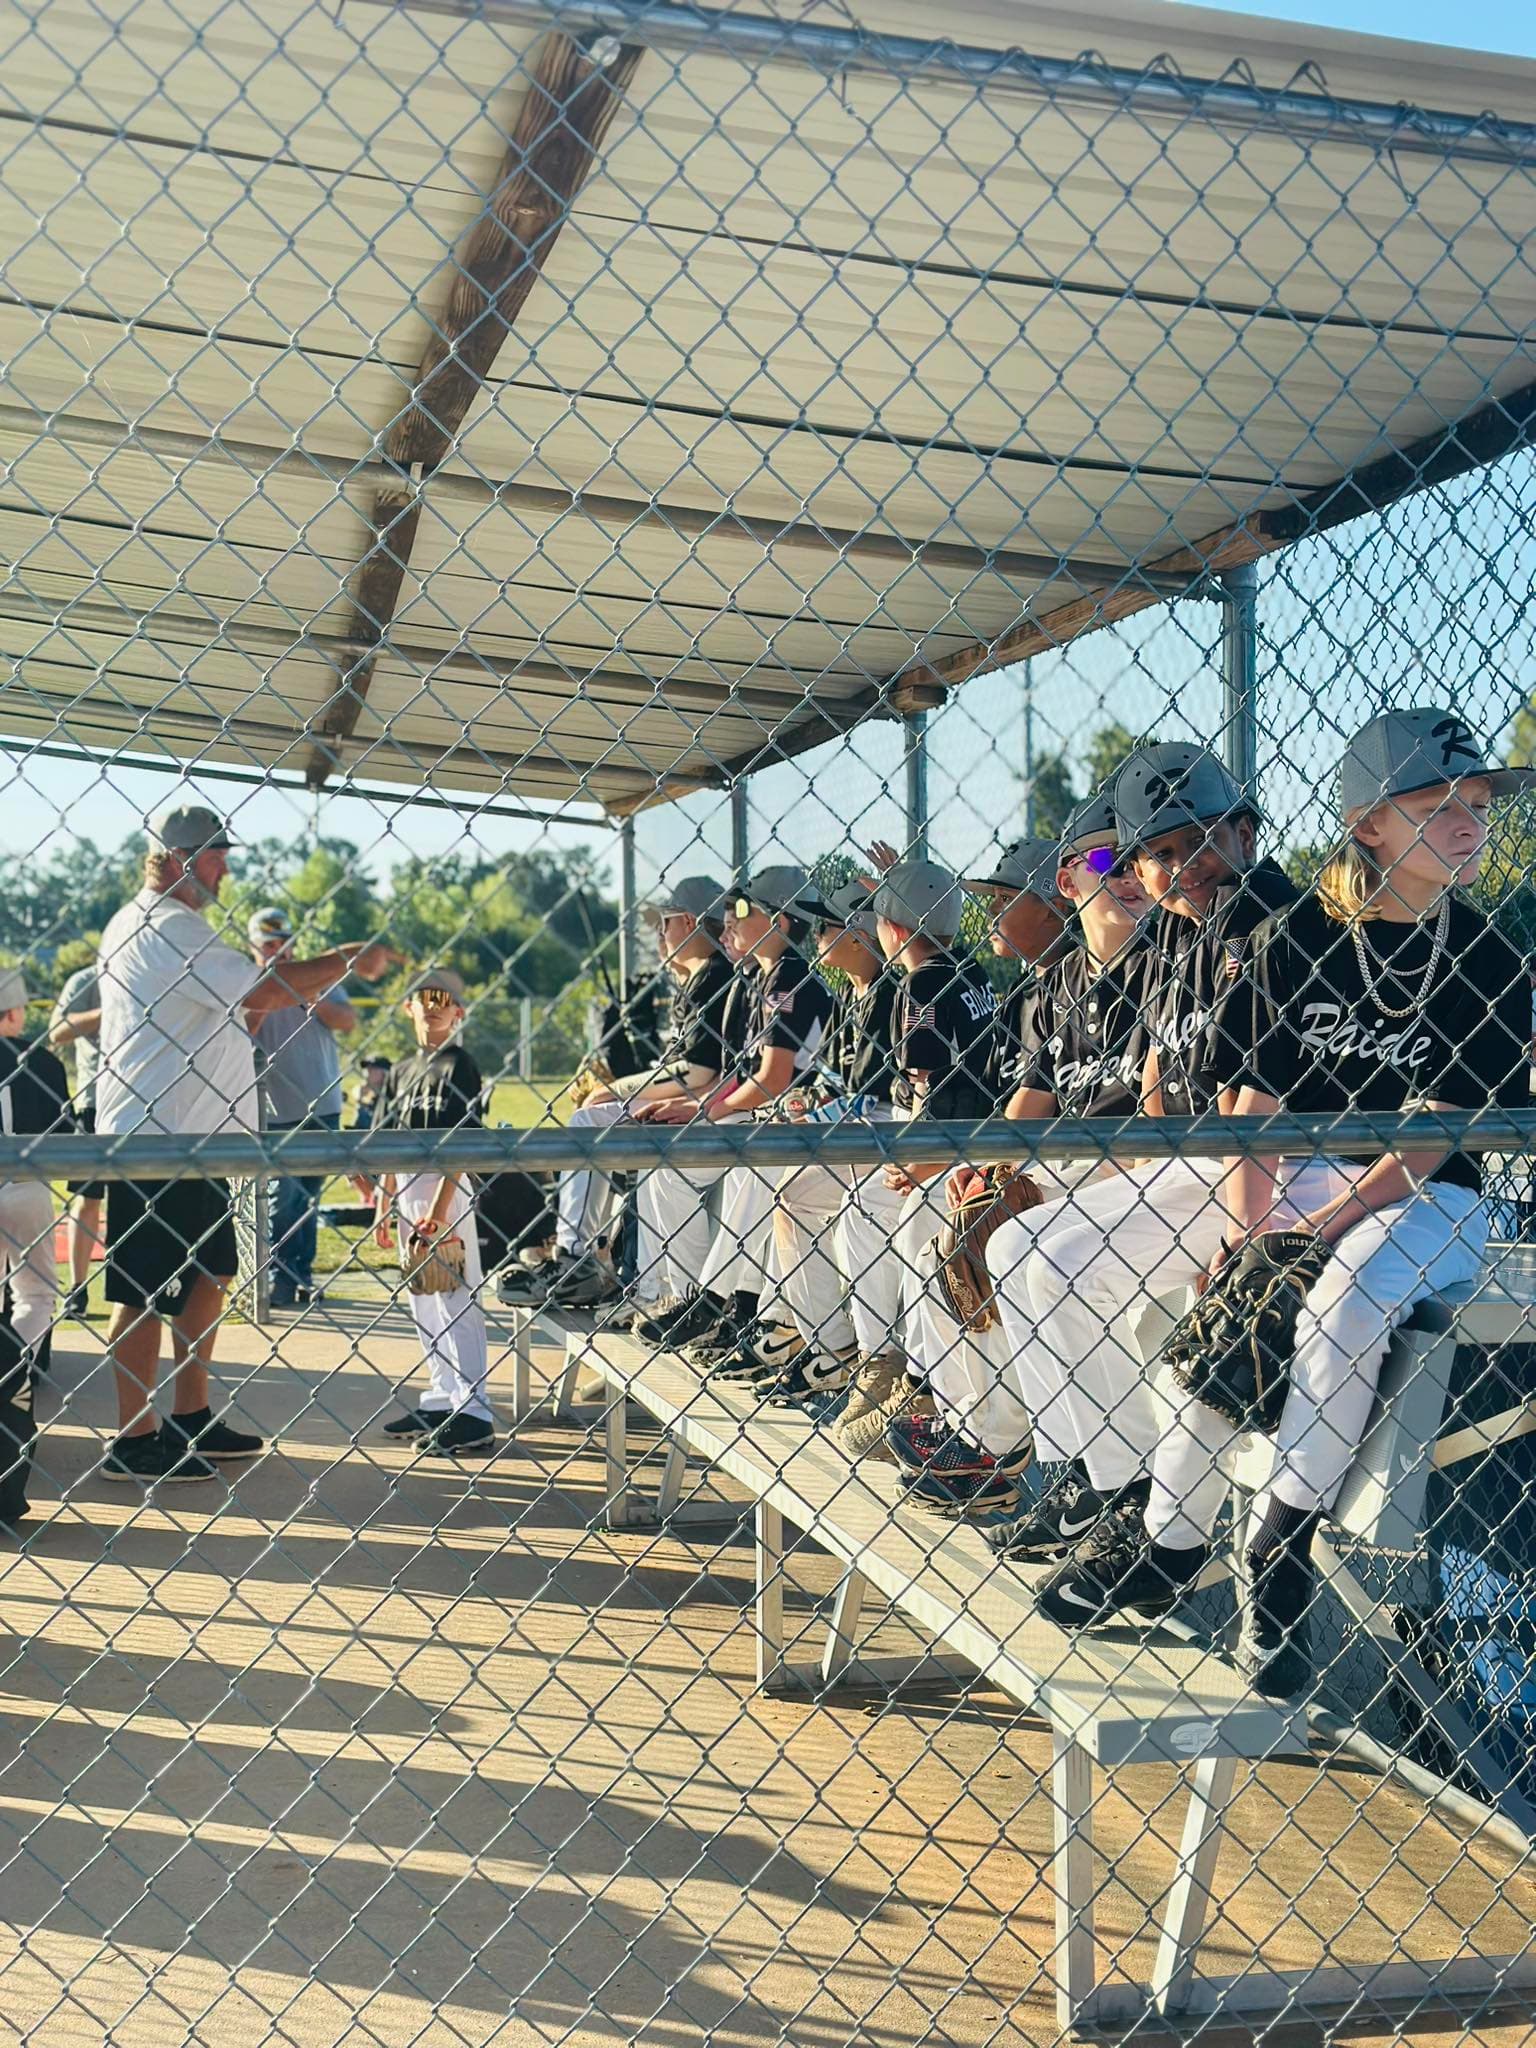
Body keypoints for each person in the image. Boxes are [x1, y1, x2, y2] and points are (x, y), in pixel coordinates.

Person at [1037, 710, 1533, 1700]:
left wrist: (1321, 1220)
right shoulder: (1295, 934)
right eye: (1437, 804)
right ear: (1368, 823)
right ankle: (1162, 1527)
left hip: (1431, 1190)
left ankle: (1275, 1541)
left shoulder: (1491, 954)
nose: (1471, 822)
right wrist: (1248, 1228)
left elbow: (1437, 1134)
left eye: (1476, 803)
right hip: (1289, 1167)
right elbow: (1251, 1108)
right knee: (1208, 1280)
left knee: (1344, 1300)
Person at [982, 743, 1305, 1557]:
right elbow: (1162, 1062)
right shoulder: (1174, 935)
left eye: (1197, 840)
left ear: (1244, 835)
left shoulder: (1267, 914)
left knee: (1055, 1265)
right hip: (1190, 1160)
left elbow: (1255, 1093)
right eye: (1157, 853)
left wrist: (1233, 1226)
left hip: (1263, 1163)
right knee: (1015, 1244)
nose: (1180, 865)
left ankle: (1128, 1487)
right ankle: (1090, 1477)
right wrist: (1152, 1167)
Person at [95, 802, 395, 1487]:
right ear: (176, 859)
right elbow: (267, 987)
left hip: (194, 1141)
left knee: (211, 1272)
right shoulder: (165, 926)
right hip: (156, 1139)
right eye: (214, 856)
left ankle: (190, 1413)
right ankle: (133, 1438)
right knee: (144, 1289)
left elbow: (250, 1001)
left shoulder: (180, 929)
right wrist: (346, 957)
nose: (225, 868)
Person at [896, 794, 1154, 1519]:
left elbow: (1156, 1120)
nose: (1129, 873)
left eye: (1135, 857)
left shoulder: (1167, 967)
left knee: (1006, 1237)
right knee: (960, 1225)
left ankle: (1011, 1447)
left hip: (1127, 1162)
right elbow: (1028, 1109)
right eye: (1108, 859)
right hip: (1067, 1159)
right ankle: (991, 1443)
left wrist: (1030, 1175)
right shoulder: (1060, 988)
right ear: (1071, 881)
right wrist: (993, 1167)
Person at [832, 840, 1071, 1464]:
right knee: (891, 1212)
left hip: (981, 1143)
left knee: (894, 1215)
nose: (989, 911)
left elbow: (942, 1100)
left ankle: (909, 1378)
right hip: (992, 1139)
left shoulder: (928, 987)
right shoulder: (983, 976)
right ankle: (910, 1374)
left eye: (1001, 898)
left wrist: (926, 1165)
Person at [695, 873, 900, 1399]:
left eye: (831, 927)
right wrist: (799, 1111)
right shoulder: (849, 995)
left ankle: (783, 1326)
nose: (819, 936)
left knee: (784, 1184)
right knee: (779, 1177)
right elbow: (825, 1085)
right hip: (846, 1127)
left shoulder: (888, 994)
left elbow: (871, 1097)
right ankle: (788, 1327)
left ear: (860, 934)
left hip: (884, 1133)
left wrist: (801, 1114)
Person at [503, 875, 740, 1310]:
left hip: (719, 1108)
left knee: (590, 1120)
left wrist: (618, 1089)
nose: (659, 934)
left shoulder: (713, 976)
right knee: (611, 1135)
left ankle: (576, 1257)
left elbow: (699, 1070)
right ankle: (618, 1272)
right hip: (712, 1103)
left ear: (688, 921)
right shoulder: (703, 976)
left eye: (665, 922)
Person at [631, 865, 831, 1353]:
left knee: (743, 1169)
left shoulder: (790, 977)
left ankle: (714, 1299)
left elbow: (774, 1079)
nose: (729, 920)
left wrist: (704, 1112)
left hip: (798, 1116)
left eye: (743, 909)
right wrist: (696, 1103)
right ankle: (690, 1297)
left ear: (781, 921)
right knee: (667, 1172)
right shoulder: (759, 978)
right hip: (763, 1113)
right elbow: (739, 1079)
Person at [362, 970, 496, 1456]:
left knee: (455, 1294)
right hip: (407, 1195)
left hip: (446, 1189)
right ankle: (442, 1397)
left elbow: (461, 1141)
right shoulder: (400, 1071)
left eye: (447, 1000)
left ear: (459, 1012)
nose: (436, 1005)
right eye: (425, 997)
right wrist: (383, 1205)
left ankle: (474, 1409)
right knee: (423, 1298)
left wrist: (440, 1212)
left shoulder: (461, 1064)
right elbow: (390, 1145)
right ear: (408, 1007)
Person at [248, 905, 358, 1309]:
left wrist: (308, 997)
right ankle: (278, 1275)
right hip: (278, 1109)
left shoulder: (317, 974)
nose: (281, 952)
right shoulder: (250, 982)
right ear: (255, 948)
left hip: (323, 1103)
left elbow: (347, 1021)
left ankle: (301, 1275)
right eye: (270, 945)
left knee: (307, 1198)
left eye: (285, 943)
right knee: (284, 1197)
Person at [0, 970, 74, 1374]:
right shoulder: (40, 1060)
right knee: (35, 1293)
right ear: (11, 1013)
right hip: (27, 1184)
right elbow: (64, 1133)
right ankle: (15, 1372)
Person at [49, 957, 105, 1320]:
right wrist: (112, 1008)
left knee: (147, 1201)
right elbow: (57, 1031)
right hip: (95, 1102)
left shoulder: (160, 974)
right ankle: (78, 1289)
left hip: (150, 1104)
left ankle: (142, 1283)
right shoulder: (87, 980)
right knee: (87, 1199)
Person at [352, 1057, 393, 1130]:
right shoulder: (364, 1092)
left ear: (385, 1072)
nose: (367, 1071)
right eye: (367, 1068)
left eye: (373, 1069)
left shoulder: (391, 1094)